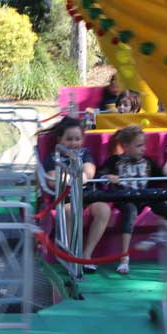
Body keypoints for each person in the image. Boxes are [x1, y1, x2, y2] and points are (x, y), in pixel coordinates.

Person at [98, 126, 167, 274]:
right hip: (125, 197)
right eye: (138, 146)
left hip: (145, 196)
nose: (143, 149)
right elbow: (101, 175)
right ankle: (124, 257)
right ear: (125, 146)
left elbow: (162, 177)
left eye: (143, 145)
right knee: (130, 211)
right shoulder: (114, 161)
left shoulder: (148, 162)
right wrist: (108, 178)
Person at [39, 116, 112, 273]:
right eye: (69, 139)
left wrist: (83, 176)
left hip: (85, 193)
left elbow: (89, 171)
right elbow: (52, 179)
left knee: (103, 210)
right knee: (70, 211)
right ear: (60, 140)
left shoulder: (85, 153)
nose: (73, 143)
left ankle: (86, 255)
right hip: (65, 195)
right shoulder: (53, 157)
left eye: (77, 139)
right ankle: (73, 255)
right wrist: (72, 179)